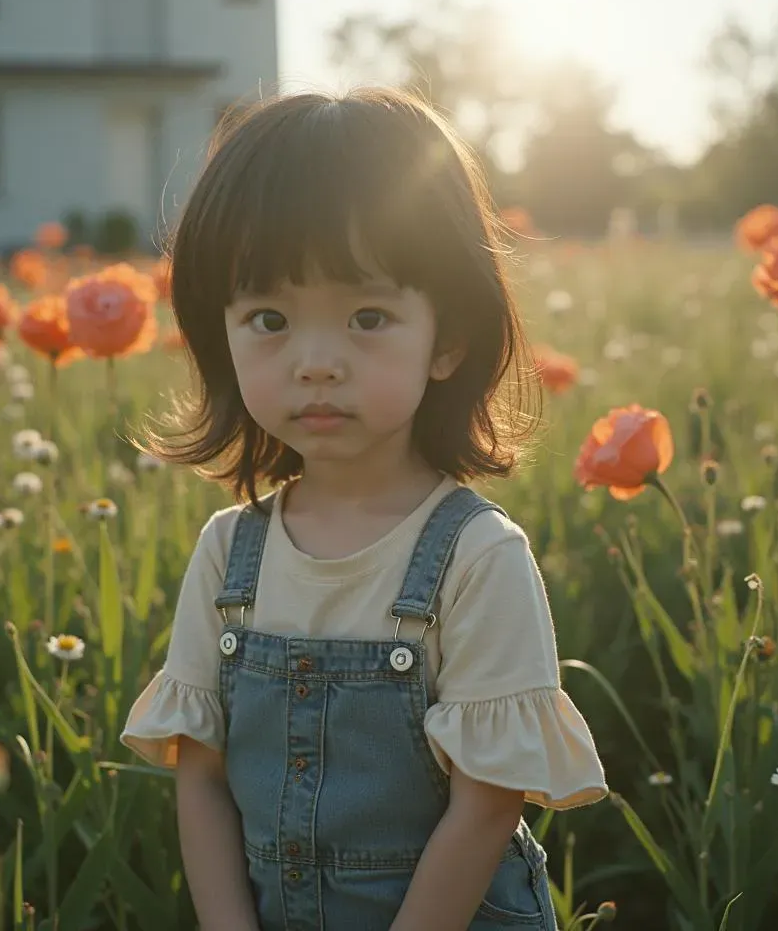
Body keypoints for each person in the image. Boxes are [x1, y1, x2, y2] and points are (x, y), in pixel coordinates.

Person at [121, 87, 608, 931]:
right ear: (221, 335)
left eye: (368, 316)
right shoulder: (229, 552)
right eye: (268, 318)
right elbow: (199, 775)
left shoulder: (475, 555)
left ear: (447, 339)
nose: (315, 362)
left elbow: (486, 806)